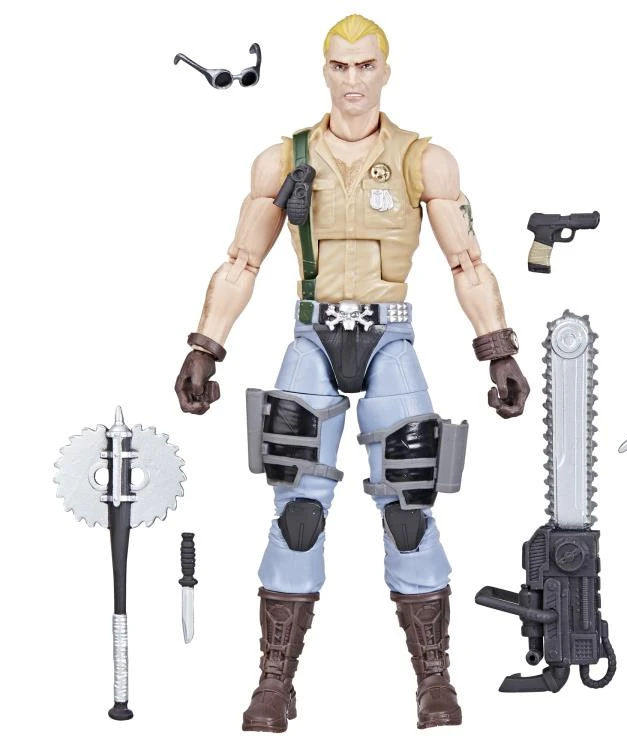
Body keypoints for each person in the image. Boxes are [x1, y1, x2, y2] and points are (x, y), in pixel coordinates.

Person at [175, 14, 529, 733]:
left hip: (389, 334)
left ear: (385, 71)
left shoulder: (423, 161)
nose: (353, 79)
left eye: (366, 65)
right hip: (312, 332)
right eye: (341, 66)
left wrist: (498, 348)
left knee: (409, 508)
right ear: (325, 71)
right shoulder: (283, 160)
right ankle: (275, 682)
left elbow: (467, 262)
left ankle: (434, 679)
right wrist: (205, 345)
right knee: (297, 512)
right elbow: (243, 260)